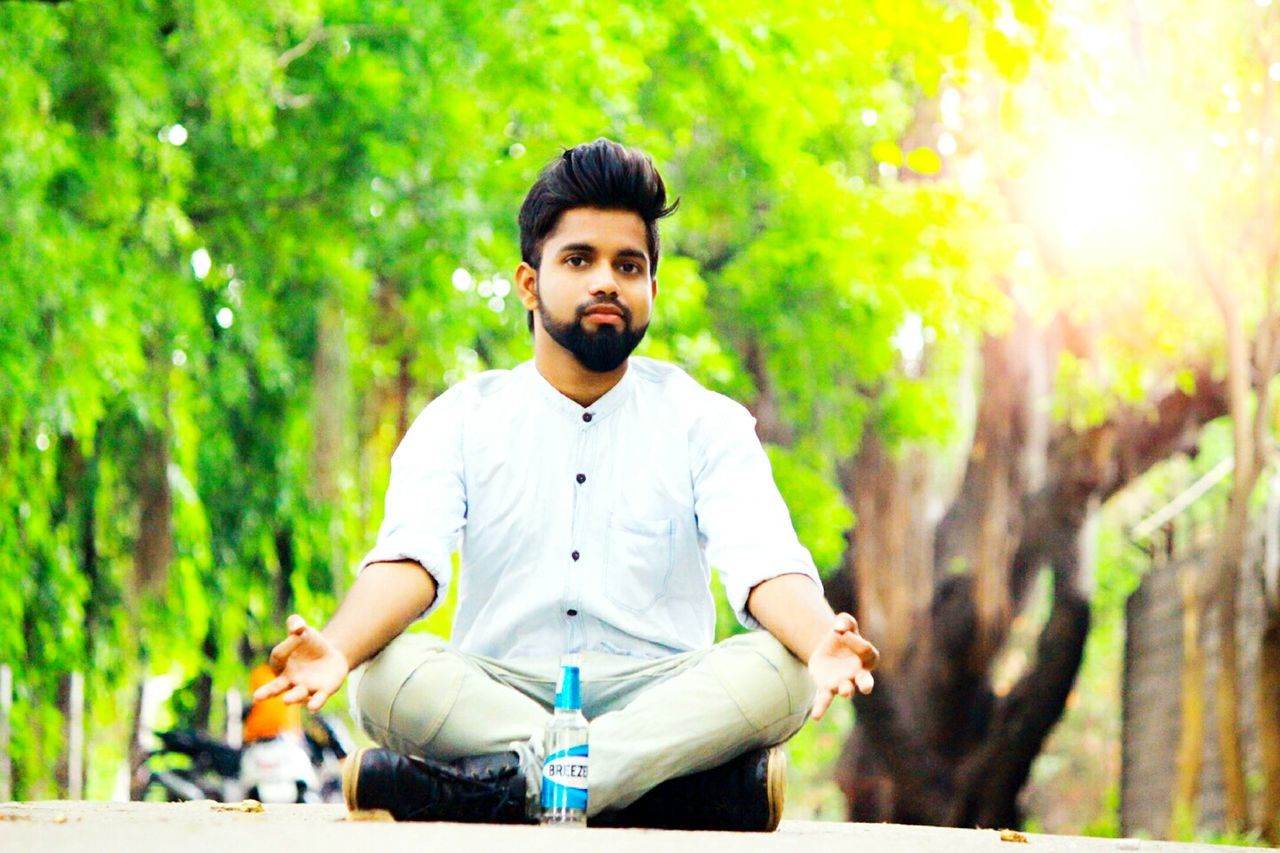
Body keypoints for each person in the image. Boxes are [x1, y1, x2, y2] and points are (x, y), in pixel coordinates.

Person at [254, 138, 879, 831]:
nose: (606, 281)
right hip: (496, 691)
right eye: (579, 260)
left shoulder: (705, 421)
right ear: (529, 282)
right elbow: (410, 561)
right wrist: (338, 648)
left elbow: (764, 565)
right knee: (382, 675)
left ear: (651, 290)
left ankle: (505, 788)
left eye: (628, 265)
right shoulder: (460, 419)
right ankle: (647, 790)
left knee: (784, 671)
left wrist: (821, 638)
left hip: (660, 699)